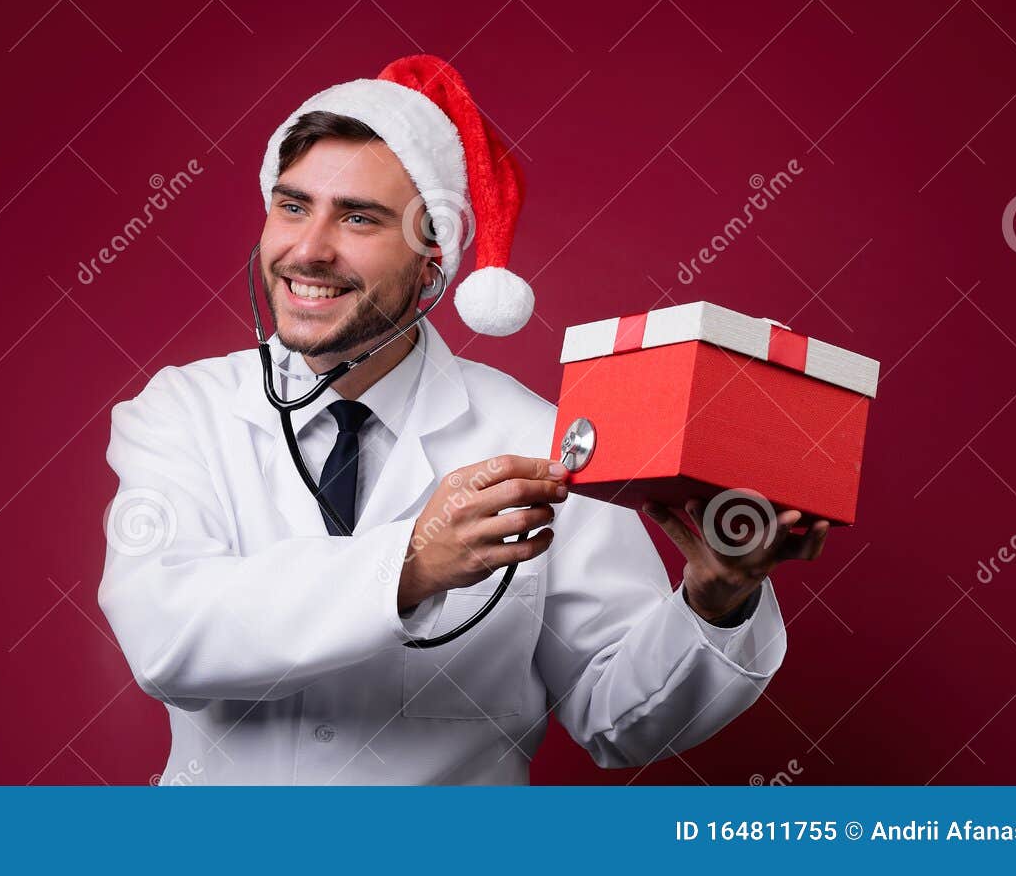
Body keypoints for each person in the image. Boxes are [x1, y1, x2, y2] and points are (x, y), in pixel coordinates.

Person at [98, 54, 828, 784]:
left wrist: (715, 598)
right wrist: (413, 563)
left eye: (358, 217)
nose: (308, 250)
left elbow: (618, 716)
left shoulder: (544, 444)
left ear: (432, 258)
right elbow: (166, 636)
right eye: (292, 207)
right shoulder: (181, 413)